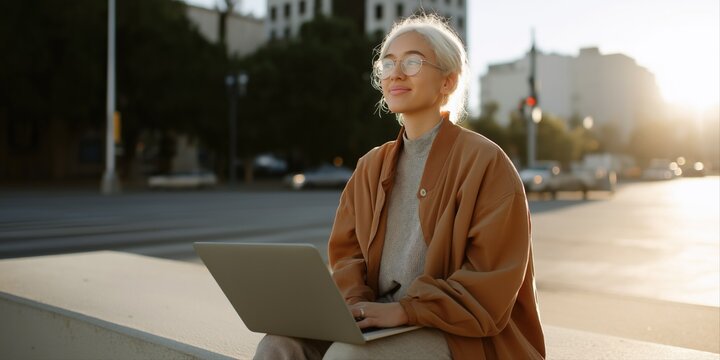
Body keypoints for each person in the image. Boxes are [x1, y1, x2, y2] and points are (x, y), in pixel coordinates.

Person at [254, 14, 545, 360]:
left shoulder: (486, 163)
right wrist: (357, 306)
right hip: (377, 320)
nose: (395, 73)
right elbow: (347, 256)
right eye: (387, 63)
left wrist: (407, 310)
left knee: (349, 357)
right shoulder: (370, 167)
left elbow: (490, 285)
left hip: (457, 333)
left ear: (448, 82)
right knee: (277, 345)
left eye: (412, 61)